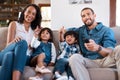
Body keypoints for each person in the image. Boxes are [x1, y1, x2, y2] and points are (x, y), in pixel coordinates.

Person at [61, 7, 119, 80]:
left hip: (105, 60)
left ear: (94, 15)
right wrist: (62, 31)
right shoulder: (80, 30)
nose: (86, 17)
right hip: (89, 61)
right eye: (83, 16)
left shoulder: (107, 30)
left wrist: (98, 48)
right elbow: (67, 32)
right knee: (74, 57)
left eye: (88, 14)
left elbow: (110, 52)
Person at [0, 4, 42, 80]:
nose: (30, 15)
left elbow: (34, 48)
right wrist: (14, 41)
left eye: (33, 14)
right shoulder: (14, 24)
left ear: (35, 17)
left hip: (25, 57)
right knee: (22, 43)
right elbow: (7, 46)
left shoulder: (35, 31)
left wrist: (36, 36)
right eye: (28, 12)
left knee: (9, 56)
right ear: (24, 12)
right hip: (9, 50)